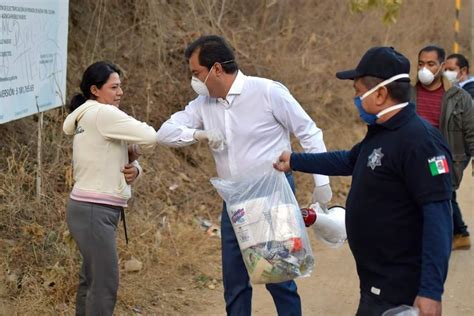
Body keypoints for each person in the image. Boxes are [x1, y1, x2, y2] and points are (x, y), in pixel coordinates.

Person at [156, 35, 332, 316]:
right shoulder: (204, 104)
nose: (194, 81)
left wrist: (322, 181)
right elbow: (164, 133)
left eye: (196, 73)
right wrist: (198, 133)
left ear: (215, 69)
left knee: (279, 277)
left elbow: (308, 132)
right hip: (234, 201)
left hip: (271, 196)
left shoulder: (267, 92)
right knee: (235, 281)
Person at [274, 47, 453, 316]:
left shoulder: (421, 142)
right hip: (374, 281)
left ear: (380, 93)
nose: (355, 98)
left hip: (400, 286)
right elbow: (348, 160)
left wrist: (430, 291)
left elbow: (438, 219)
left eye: (358, 91)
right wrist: (296, 161)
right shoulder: (381, 132)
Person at [63, 61, 157, 315]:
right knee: (104, 284)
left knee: (92, 280)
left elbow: (120, 155)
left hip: (88, 209)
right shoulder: (104, 114)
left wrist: (135, 168)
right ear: (95, 89)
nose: (120, 92)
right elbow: (149, 137)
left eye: (120, 86)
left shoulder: (89, 116)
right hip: (95, 210)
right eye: (114, 87)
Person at [412, 45, 474, 250]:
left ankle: (443, 240)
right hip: (410, 158)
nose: (424, 69)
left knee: (438, 198)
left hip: (438, 159)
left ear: (441, 66)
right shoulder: (407, 94)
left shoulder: (459, 97)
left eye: (431, 64)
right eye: (421, 64)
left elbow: (471, 132)